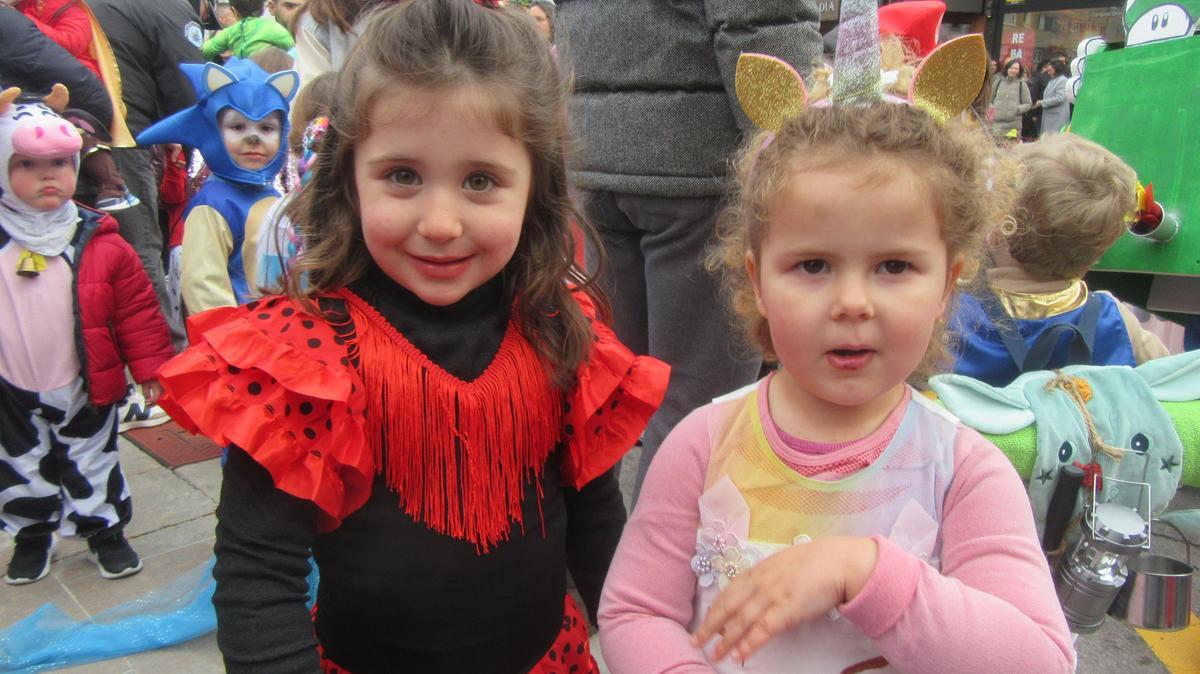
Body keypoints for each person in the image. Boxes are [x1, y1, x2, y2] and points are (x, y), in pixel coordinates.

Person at [153, 1, 669, 670]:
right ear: (349, 176)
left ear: (537, 188)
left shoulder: (558, 328)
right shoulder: (303, 359)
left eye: (480, 181)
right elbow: (258, 576)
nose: (441, 222)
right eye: (403, 176)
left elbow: (597, 521)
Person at [598, 102, 1075, 671]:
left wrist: (869, 575)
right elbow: (635, 612)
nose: (853, 303)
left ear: (948, 284)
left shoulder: (963, 472)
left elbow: (1040, 660)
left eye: (895, 266)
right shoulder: (702, 445)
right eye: (814, 265)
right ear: (758, 281)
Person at [557, 0, 821, 500]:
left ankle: (582, 553)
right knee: (697, 404)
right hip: (699, 164)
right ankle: (660, 567)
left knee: (609, 388)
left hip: (598, 153)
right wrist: (799, 159)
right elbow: (764, 19)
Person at [0, 87, 174, 585]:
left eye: (59, 162)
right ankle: (33, 535)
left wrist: (150, 371)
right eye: (27, 165)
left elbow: (137, 312)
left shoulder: (97, 237)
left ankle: (104, 531)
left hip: (83, 381)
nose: (47, 176)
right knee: (19, 465)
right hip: (11, 388)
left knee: (93, 461)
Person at [953, 133, 1167, 387]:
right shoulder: (1115, 318)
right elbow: (1171, 380)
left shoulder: (949, 309)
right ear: (1099, 249)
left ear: (998, 227)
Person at [87, 0, 204, 353]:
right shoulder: (164, 7)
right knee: (140, 249)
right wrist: (182, 137)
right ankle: (164, 358)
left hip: (70, 137)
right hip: (124, 138)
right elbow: (188, 82)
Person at [138, 57, 297, 314]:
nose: (253, 138)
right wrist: (236, 344)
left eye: (267, 128)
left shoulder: (272, 194)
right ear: (213, 130)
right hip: (243, 341)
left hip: (280, 331)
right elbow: (204, 288)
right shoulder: (213, 204)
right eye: (238, 126)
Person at [202, 0, 294, 61]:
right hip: (268, 77)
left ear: (233, 11)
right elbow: (292, 49)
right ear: (263, 9)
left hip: (241, 77)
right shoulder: (275, 28)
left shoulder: (230, 31)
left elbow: (205, 51)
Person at [991, 57, 1031, 140]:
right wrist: (992, 109)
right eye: (1012, 68)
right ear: (1007, 69)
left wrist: (1017, 109)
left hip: (1013, 125)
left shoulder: (1022, 84)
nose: (1013, 70)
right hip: (996, 124)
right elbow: (990, 100)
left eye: (1016, 69)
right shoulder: (998, 82)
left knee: (1010, 149)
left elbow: (1028, 104)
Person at [1035, 59, 1070, 136]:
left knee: (1053, 138)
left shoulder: (1062, 80)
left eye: (1050, 69)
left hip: (1057, 117)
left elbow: (1060, 98)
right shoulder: (1052, 80)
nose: (1048, 71)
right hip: (1050, 116)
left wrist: (1042, 102)